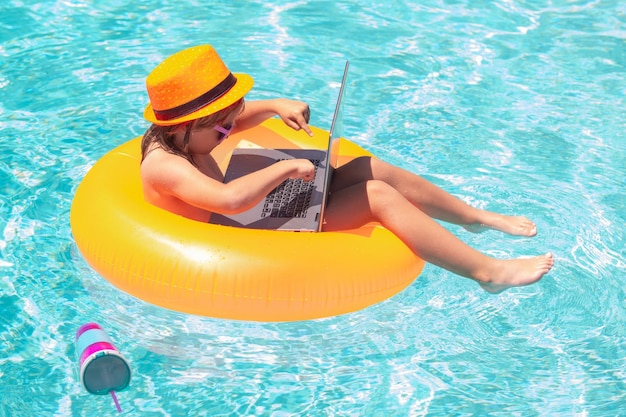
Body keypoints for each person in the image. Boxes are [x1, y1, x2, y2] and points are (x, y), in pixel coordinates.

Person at [140, 45, 554, 293]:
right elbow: (230, 200)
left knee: (367, 168)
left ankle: (473, 218)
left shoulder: (184, 134)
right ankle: (487, 272)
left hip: (248, 207)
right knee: (376, 196)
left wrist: (273, 106)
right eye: (222, 126)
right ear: (185, 126)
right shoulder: (165, 167)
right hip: (234, 228)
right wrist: (286, 169)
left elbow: (236, 118)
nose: (231, 130)